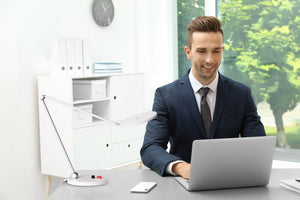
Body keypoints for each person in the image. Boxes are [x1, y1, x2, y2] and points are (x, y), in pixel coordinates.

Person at [140, 16, 266, 179]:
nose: (210, 59)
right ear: (188, 52)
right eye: (201, 51)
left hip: (230, 182)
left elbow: (259, 146)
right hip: (183, 184)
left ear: (222, 50)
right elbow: (151, 148)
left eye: (216, 51)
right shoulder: (166, 96)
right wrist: (181, 167)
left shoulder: (241, 94)